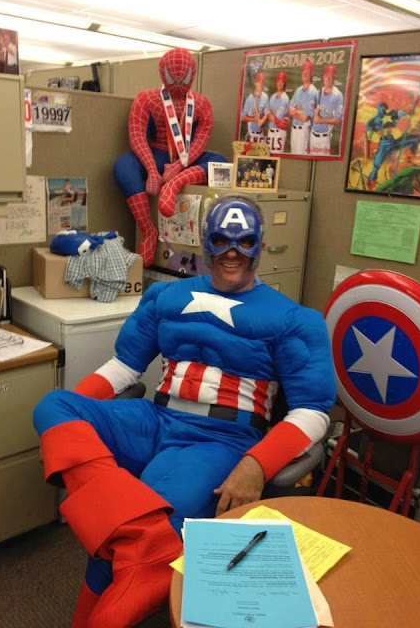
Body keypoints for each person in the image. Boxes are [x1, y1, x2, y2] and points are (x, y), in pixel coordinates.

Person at [33, 194, 336, 628]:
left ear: (261, 245)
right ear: (205, 241)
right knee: (56, 407)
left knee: (123, 535)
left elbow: (313, 412)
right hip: (154, 419)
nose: (232, 253)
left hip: (218, 439)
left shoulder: (293, 320)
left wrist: (256, 464)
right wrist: (66, 437)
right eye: (222, 240)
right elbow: (124, 366)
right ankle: (141, 544)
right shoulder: (165, 297)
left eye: (245, 241)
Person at [112, 48, 226, 268]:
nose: (179, 83)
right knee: (122, 166)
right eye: (173, 77)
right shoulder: (146, 99)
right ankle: (148, 230)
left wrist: (178, 169)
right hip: (155, 156)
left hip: (187, 159)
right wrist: (151, 170)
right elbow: (137, 135)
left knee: (220, 162)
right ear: (163, 72)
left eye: (184, 77)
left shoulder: (202, 104)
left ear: (192, 73)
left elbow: (201, 140)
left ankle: (174, 185)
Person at [310, 64, 344, 156]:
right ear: (323, 77)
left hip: (324, 138)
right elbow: (312, 111)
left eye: (330, 76)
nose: (328, 79)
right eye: (326, 76)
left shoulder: (338, 95)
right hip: (312, 135)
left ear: (334, 78)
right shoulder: (319, 92)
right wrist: (314, 113)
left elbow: (337, 120)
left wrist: (321, 120)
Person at [289, 61, 318, 155]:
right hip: (294, 130)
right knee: (293, 156)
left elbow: (304, 118)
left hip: (303, 131)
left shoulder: (313, 92)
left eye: (307, 72)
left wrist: (295, 112)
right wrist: (300, 111)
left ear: (312, 74)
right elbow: (289, 110)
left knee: (300, 158)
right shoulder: (298, 90)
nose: (304, 74)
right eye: (303, 72)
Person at [240, 72, 269, 143]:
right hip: (251, 134)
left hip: (261, 134)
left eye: (262, 82)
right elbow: (242, 117)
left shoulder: (265, 97)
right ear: (255, 83)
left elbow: (267, 112)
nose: (261, 84)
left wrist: (262, 120)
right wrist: (253, 119)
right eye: (259, 82)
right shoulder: (249, 99)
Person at [267, 72, 289, 154]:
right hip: (270, 132)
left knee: (277, 156)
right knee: (268, 156)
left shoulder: (284, 98)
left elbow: (277, 118)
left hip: (279, 133)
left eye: (282, 82)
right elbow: (268, 115)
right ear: (276, 82)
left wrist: (272, 116)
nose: (279, 83)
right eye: (278, 81)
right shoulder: (272, 97)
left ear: (284, 83)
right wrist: (272, 116)